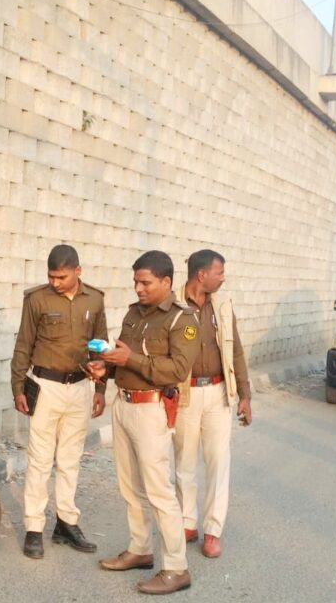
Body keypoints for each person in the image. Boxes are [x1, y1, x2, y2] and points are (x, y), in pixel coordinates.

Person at [91, 251, 199, 596]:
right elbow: (124, 359)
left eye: (145, 282)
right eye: (135, 281)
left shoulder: (182, 319)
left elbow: (177, 370)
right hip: (123, 405)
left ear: (166, 282)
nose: (138, 288)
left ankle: (176, 568)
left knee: (159, 492)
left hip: (152, 410)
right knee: (130, 487)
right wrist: (106, 368)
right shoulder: (134, 313)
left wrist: (130, 358)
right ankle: (139, 549)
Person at [11, 245, 108, 559]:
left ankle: (66, 522)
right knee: (40, 460)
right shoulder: (37, 299)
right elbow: (23, 344)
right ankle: (34, 528)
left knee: (70, 459)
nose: (55, 282)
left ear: (78, 271)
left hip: (80, 387)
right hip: (46, 387)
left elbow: (101, 348)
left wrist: (100, 389)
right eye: (51, 276)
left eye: (62, 277)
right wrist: (18, 388)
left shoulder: (95, 299)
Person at [173, 250, 251, 560]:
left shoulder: (223, 305)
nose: (223, 279)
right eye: (219, 273)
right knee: (184, 462)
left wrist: (244, 395)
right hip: (185, 395)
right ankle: (186, 523)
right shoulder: (173, 304)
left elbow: (237, 352)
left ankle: (213, 530)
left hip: (218, 393)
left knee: (218, 461)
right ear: (201, 275)